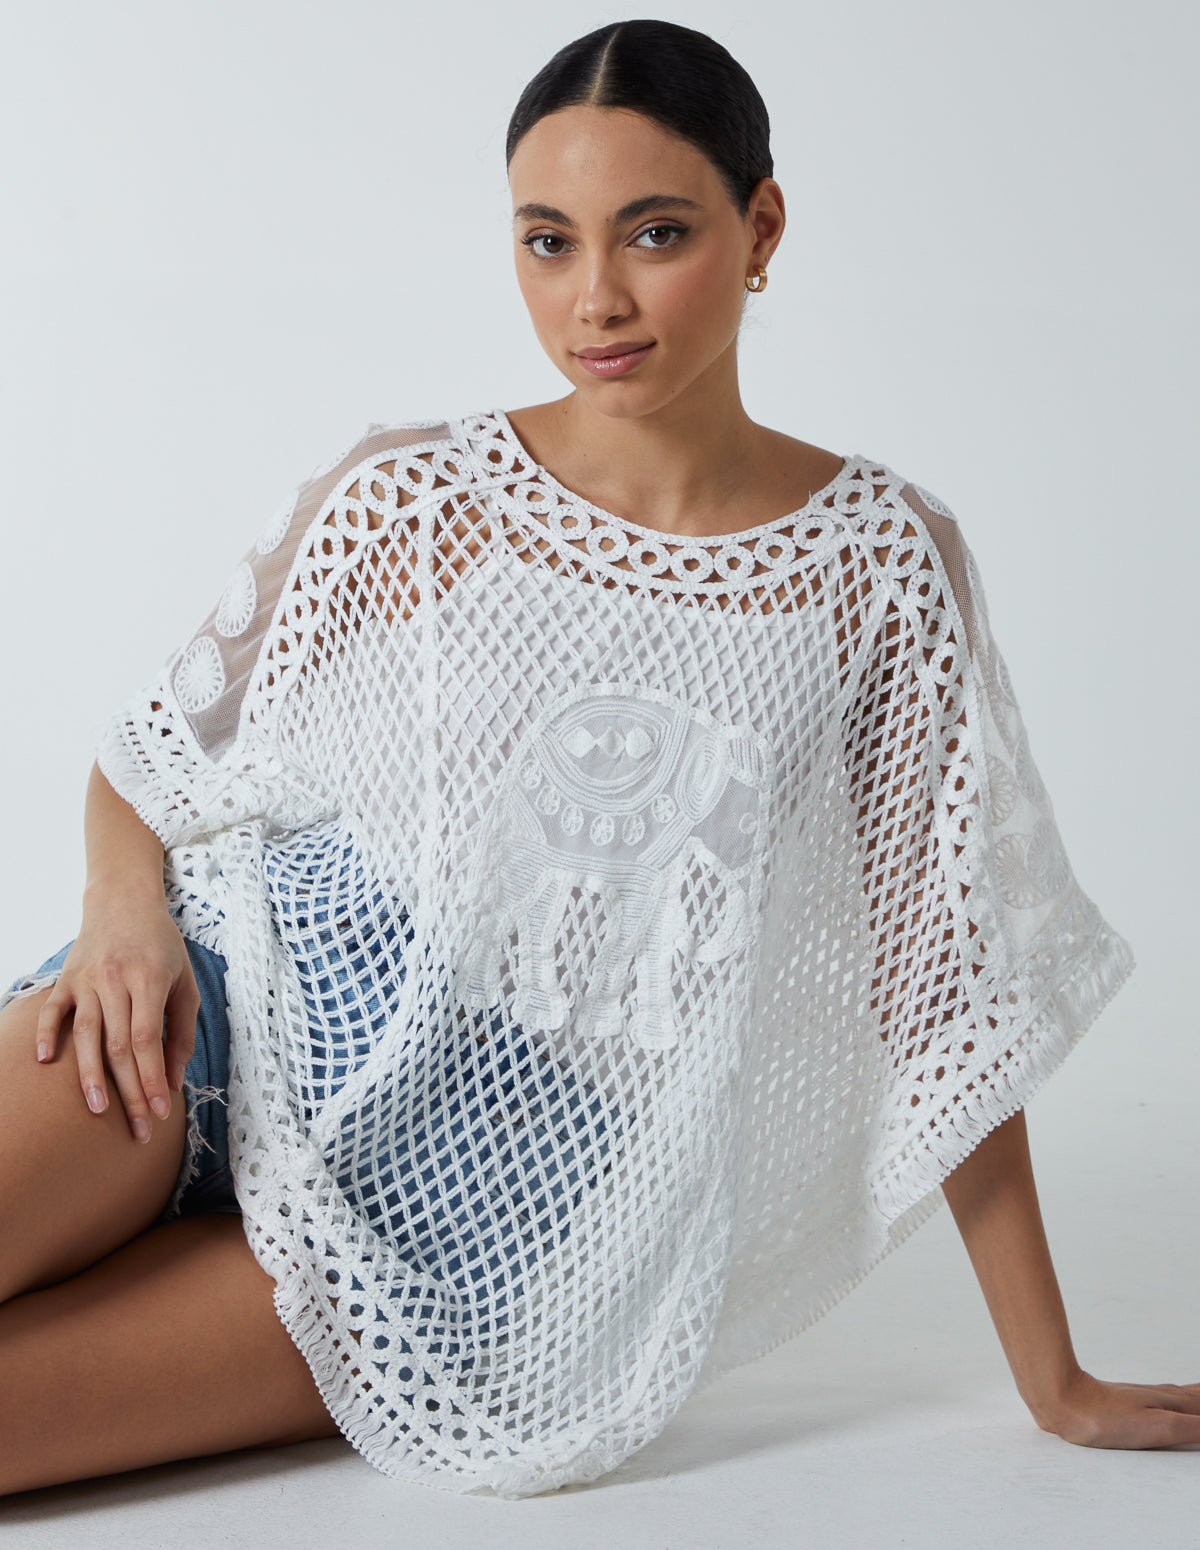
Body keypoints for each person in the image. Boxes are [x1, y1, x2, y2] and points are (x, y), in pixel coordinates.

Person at [1, 16, 1196, 1504]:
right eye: (548, 242)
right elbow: (152, 757)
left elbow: (941, 1003)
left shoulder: (879, 566)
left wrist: (1053, 1377)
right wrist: (123, 917)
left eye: (655, 232)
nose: (596, 299)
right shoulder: (414, 494)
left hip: (498, 1191)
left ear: (763, 227)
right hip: (232, 1007)